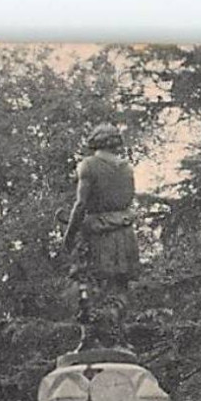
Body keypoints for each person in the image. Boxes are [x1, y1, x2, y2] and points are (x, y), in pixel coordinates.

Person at [60, 123, 140, 351]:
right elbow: (127, 200)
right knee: (118, 287)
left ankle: (91, 339)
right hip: (124, 234)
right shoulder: (127, 168)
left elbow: (81, 203)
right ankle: (117, 337)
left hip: (97, 235)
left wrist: (69, 234)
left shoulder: (88, 165)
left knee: (89, 285)